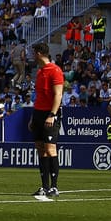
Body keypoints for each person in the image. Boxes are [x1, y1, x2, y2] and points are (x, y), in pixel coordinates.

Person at [30, 42, 64, 200]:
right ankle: (44, 186)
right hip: (38, 113)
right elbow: (39, 96)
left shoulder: (55, 71)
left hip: (49, 114)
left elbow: (58, 95)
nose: (32, 55)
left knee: (51, 149)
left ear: (38, 53)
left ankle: (54, 186)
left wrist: (52, 114)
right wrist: (33, 117)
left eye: (33, 53)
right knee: (40, 149)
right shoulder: (40, 71)